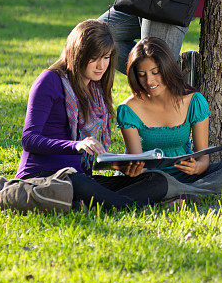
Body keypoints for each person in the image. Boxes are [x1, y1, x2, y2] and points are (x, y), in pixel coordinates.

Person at [15, 19, 169, 210]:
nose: (101, 66)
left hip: (81, 176)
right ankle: (126, 205)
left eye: (106, 58)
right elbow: (29, 139)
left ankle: (94, 204)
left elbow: (90, 160)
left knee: (156, 180)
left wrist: (118, 166)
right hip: (44, 177)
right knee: (80, 183)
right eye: (94, 58)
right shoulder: (49, 80)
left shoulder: (95, 88)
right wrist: (76, 145)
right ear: (78, 54)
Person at [116, 37, 222, 202]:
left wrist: (196, 167)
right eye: (142, 75)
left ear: (166, 68)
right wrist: (133, 170)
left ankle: (181, 196)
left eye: (155, 72)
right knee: (155, 183)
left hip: (189, 177)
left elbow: (203, 159)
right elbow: (137, 161)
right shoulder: (128, 109)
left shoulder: (193, 101)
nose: (149, 81)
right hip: (152, 179)